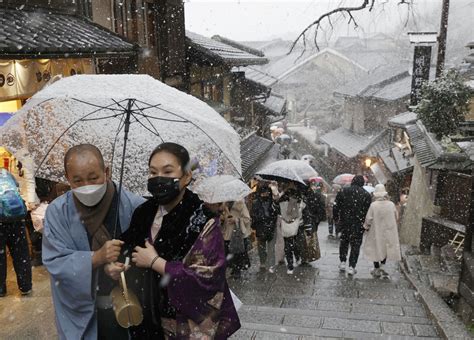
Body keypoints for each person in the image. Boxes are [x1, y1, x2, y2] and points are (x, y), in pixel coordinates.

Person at [119, 143, 240, 339]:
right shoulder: (143, 212)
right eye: (153, 172)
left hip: (184, 324)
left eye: (167, 171)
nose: (159, 178)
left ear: (186, 176)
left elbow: (207, 278)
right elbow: (128, 249)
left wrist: (156, 263)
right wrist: (118, 261)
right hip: (148, 317)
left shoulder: (202, 219)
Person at [42, 144, 145, 340]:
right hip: (81, 311)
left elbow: (146, 251)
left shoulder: (133, 205)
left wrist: (126, 265)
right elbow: (55, 261)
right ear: (67, 178)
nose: (86, 186)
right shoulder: (57, 212)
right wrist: (96, 259)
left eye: (93, 177)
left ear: (106, 172)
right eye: (77, 181)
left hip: (127, 303)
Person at [0, 169, 32, 297]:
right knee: (21, 253)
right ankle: (25, 286)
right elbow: (18, 189)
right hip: (17, 221)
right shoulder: (5, 173)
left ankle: (1, 288)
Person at [333, 175, 372, 275]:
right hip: (358, 223)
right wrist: (366, 224)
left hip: (345, 222)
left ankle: (342, 261)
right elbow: (368, 211)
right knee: (356, 245)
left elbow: (336, 205)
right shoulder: (366, 195)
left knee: (344, 241)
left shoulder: (343, 191)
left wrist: (336, 218)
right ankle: (351, 266)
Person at [363, 184, 401, 278]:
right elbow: (396, 216)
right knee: (386, 247)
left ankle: (376, 268)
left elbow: (368, 219)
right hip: (389, 230)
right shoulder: (391, 204)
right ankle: (383, 265)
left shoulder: (373, 205)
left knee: (375, 248)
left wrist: (366, 227)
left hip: (376, 230)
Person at [250, 182, 279, 273]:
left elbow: (277, 213)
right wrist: (261, 219)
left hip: (271, 227)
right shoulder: (256, 202)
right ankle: (263, 263)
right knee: (261, 247)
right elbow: (253, 216)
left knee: (271, 248)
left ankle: (271, 265)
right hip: (261, 227)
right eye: (263, 192)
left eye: (267, 192)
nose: (265, 194)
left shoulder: (272, 202)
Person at [278, 182, 305, 275]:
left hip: (286, 224)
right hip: (297, 224)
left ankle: (290, 265)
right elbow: (302, 211)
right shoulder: (299, 196)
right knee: (295, 243)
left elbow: (279, 211)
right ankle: (297, 258)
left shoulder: (282, 198)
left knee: (288, 245)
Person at [221, 199, 252, 279]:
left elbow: (247, 219)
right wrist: (223, 217)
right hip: (226, 233)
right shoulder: (224, 205)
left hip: (236, 233)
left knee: (236, 251)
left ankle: (237, 270)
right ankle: (233, 269)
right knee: (227, 251)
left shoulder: (240, 204)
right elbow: (223, 217)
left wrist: (236, 220)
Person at [300, 180, 325, 265]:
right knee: (309, 238)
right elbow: (321, 209)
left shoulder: (301, 195)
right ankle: (308, 256)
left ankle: (304, 256)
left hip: (304, 220)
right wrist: (317, 219)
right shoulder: (315, 195)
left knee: (303, 239)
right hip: (311, 220)